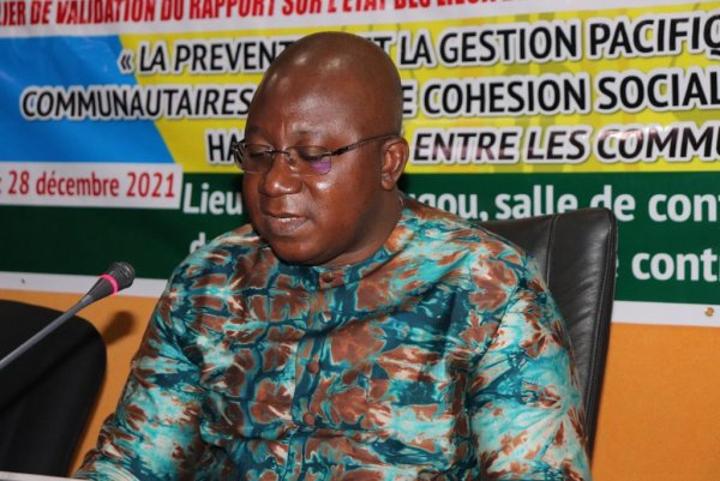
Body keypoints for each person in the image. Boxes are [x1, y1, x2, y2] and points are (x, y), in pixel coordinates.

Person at [77, 32, 590, 480]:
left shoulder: (487, 287)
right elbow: (130, 464)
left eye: (314, 156)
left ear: (388, 163)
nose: (275, 182)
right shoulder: (208, 282)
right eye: (259, 154)